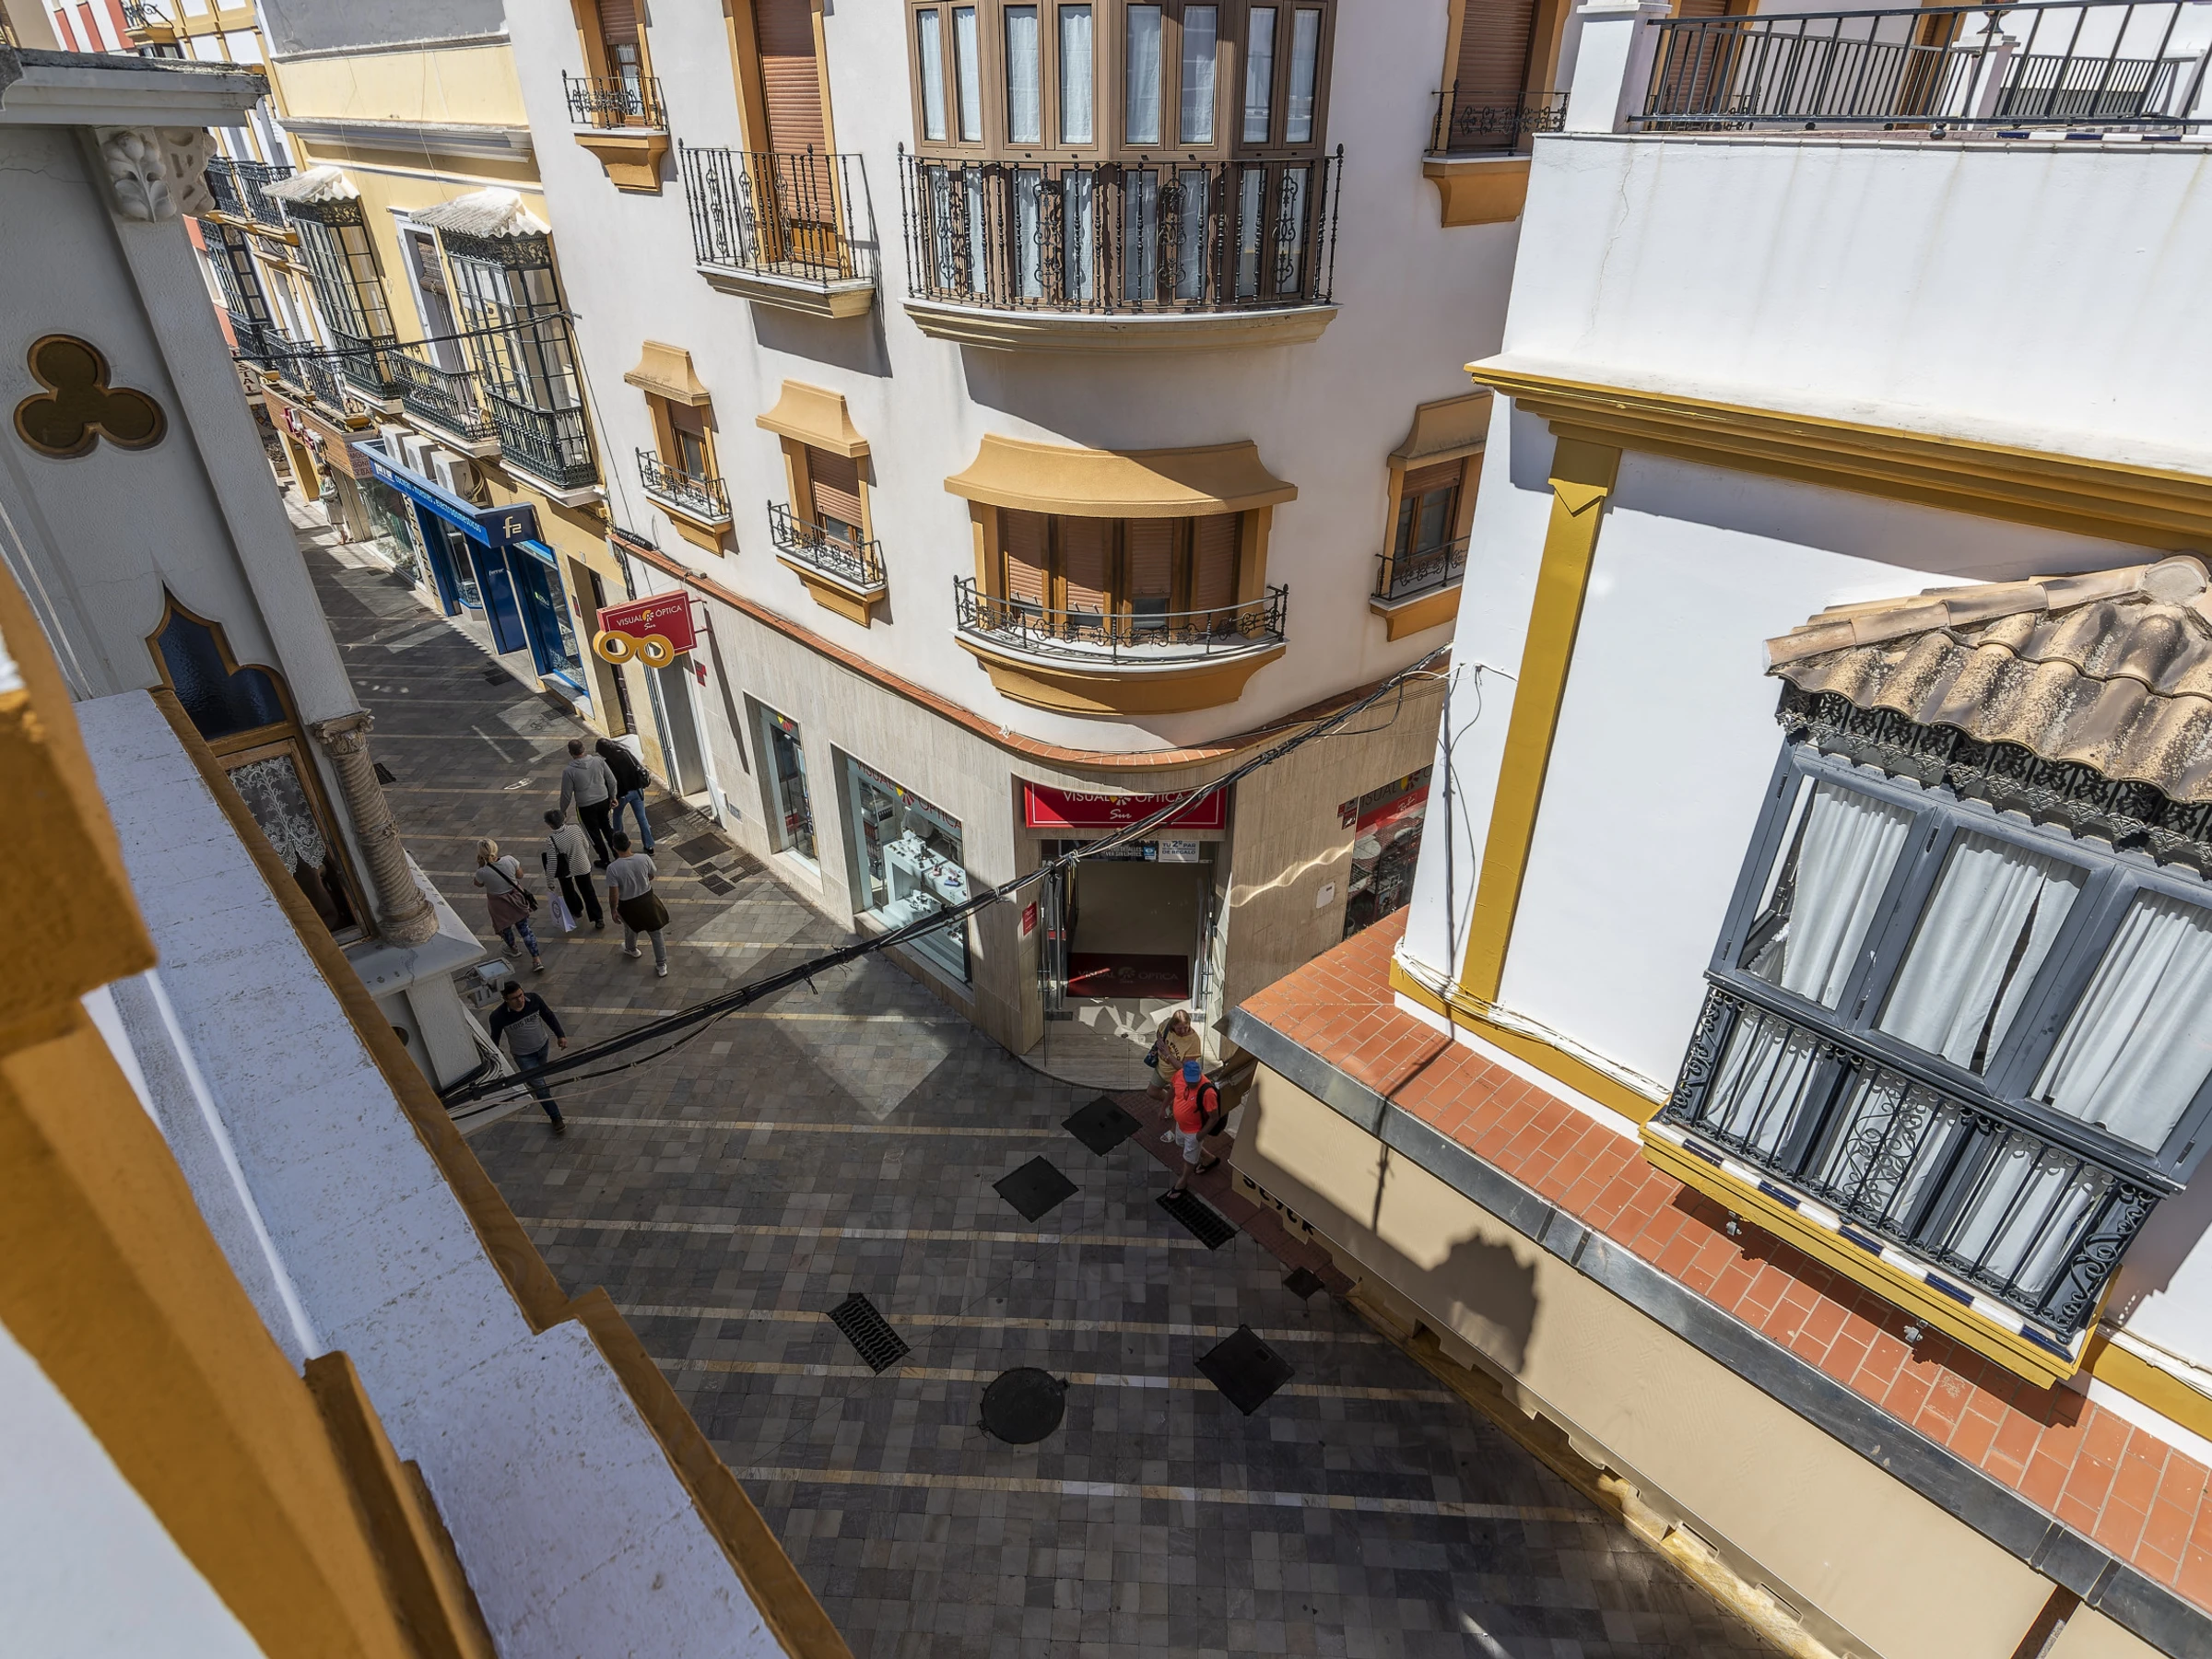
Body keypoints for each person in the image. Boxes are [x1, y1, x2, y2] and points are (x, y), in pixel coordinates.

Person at [487, 979, 568, 1135]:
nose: (520, 1000)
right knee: (541, 1087)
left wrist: (560, 1035)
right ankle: (556, 1117)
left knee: (540, 1075)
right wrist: (494, 1054)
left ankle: (533, 1081)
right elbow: (495, 1037)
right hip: (523, 1056)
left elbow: (548, 1016)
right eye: (514, 998)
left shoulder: (534, 1000)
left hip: (542, 1046)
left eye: (521, 995)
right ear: (505, 999)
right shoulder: (498, 1017)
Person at [472, 838, 544, 972]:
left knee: (505, 928)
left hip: (498, 904)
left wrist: (481, 865)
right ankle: (536, 960)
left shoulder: (482, 872)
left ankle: (513, 949)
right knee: (525, 929)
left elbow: (478, 884)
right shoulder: (509, 860)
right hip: (516, 899)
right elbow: (520, 875)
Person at [604, 832, 669, 977]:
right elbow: (651, 875)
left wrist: (613, 910)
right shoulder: (644, 858)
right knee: (656, 933)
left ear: (614, 847)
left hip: (628, 905)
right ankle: (661, 964)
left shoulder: (613, 868)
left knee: (630, 928)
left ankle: (631, 949)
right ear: (630, 843)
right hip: (648, 901)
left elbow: (614, 894)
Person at [1166, 1059, 1224, 1198]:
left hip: (1194, 1131)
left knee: (1189, 1159)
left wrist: (1200, 1135)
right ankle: (1209, 1158)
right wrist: (1163, 1108)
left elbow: (1214, 1117)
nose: (1193, 1083)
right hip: (1182, 1126)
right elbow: (1173, 1091)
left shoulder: (1208, 1092)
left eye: (1195, 1080)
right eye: (1190, 1080)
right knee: (1181, 1143)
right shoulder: (1179, 1075)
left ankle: (1182, 1182)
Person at [540, 807, 606, 930]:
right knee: (588, 891)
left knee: (568, 890)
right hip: (582, 865)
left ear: (550, 824)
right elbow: (586, 845)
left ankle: (576, 910)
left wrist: (550, 881)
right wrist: (583, 857)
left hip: (565, 870)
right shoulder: (575, 828)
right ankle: (598, 918)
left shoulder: (551, 840)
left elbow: (552, 862)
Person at [559, 737, 619, 867]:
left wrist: (562, 810)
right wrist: (613, 796)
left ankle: (605, 860)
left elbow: (566, 794)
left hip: (585, 806)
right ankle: (618, 853)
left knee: (593, 834)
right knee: (607, 827)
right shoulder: (598, 761)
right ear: (584, 749)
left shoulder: (569, 771)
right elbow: (612, 781)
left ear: (571, 753)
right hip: (603, 800)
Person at [597, 735, 655, 853]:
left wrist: (611, 797)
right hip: (636, 790)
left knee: (617, 817)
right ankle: (649, 846)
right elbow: (637, 766)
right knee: (642, 818)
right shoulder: (625, 753)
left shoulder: (607, 763)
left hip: (621, 795)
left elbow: (609, 782)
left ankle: (619, 844)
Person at [1146, 1007, 1204, 1102]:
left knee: (1182, 1100)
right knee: (1152, 1092)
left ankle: (1175, 1105)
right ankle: (1171, 1103)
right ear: (1173, 1026)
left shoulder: (1194, 1041)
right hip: (1161, 1071)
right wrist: (1159, 1040)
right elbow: (1159, 1032)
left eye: (1186, 1027)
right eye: (1179, 1029)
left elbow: (1184, 1068)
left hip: (1178, 1077)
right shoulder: (1167, 1024)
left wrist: (1168, 1055)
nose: (1183, 1031)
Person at [315, 467, 349, 543]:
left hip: (332, 503)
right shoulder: (325, 480)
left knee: (336, 521)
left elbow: (334, 491)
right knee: (334, 521)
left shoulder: (328, 480)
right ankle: (343, 536)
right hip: (328, 503)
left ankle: (344, 536)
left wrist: (322, 495)